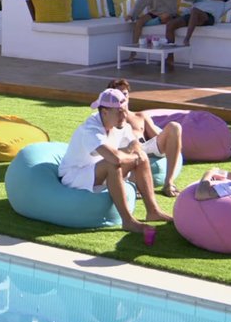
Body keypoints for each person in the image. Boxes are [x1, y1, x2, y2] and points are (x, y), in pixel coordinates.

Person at [58, 88, 173, 234]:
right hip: (74, 175)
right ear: (105, 112)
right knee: (113, 164)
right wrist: (133, 156)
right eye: (119, 112)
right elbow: (115, 158)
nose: (124, 115)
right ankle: (128, 221)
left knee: (142, 158)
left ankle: (153, 211)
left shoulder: (120, 123)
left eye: (125, 110)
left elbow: (135, 143)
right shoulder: (90, 129)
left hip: (96, 170)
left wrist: (137, 153)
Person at [107, 79, 183, 197]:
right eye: (119, 94)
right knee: (132, 146)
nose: (123, 97)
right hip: (125, 151)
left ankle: (168, 183)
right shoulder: (109, 118)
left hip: (145, 147)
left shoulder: (140, 116)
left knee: (175, 126)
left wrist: (173, 143)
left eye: (125, 94)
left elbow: (157, 137)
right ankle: (134, 184)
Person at [125, 0, 197, 57]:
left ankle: (168, 55)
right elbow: (141, 1)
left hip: (169, 14)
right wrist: (131, 14)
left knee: (166, 17)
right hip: (154, 13)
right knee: (139, 22)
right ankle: (133, 51)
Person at [165, 0, 229, 46]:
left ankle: (187, 39)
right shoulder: (203, 0)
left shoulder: (223, 4)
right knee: (170, 24)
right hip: (192, 15)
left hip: (207, 17)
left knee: (195, 11)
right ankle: (170, 54)